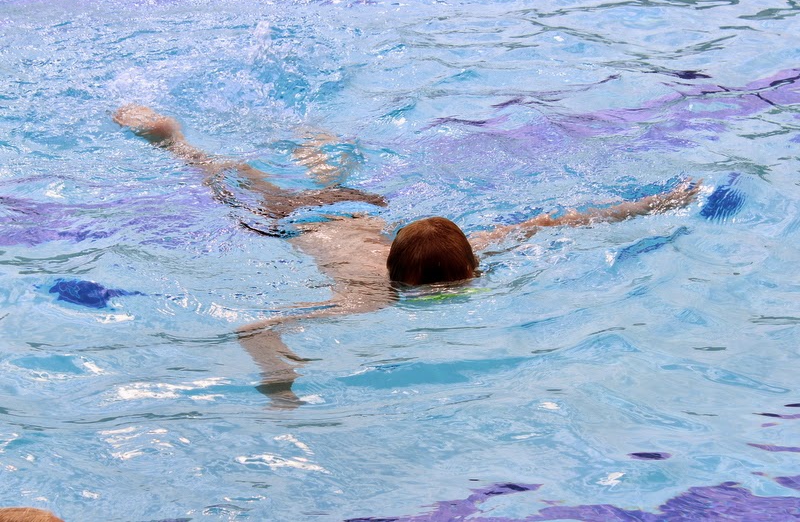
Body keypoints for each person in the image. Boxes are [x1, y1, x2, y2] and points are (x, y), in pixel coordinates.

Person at [113, 105, 700, 407]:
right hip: (296, 222)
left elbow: (562, 220)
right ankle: (178, 142)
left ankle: (231, 142)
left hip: (343, 218)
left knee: (251, 176)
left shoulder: (409, 275)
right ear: (472, 266)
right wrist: (278, 380)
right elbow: (254, 328)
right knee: (234, 183)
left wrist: (657, 203)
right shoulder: (367, 297)